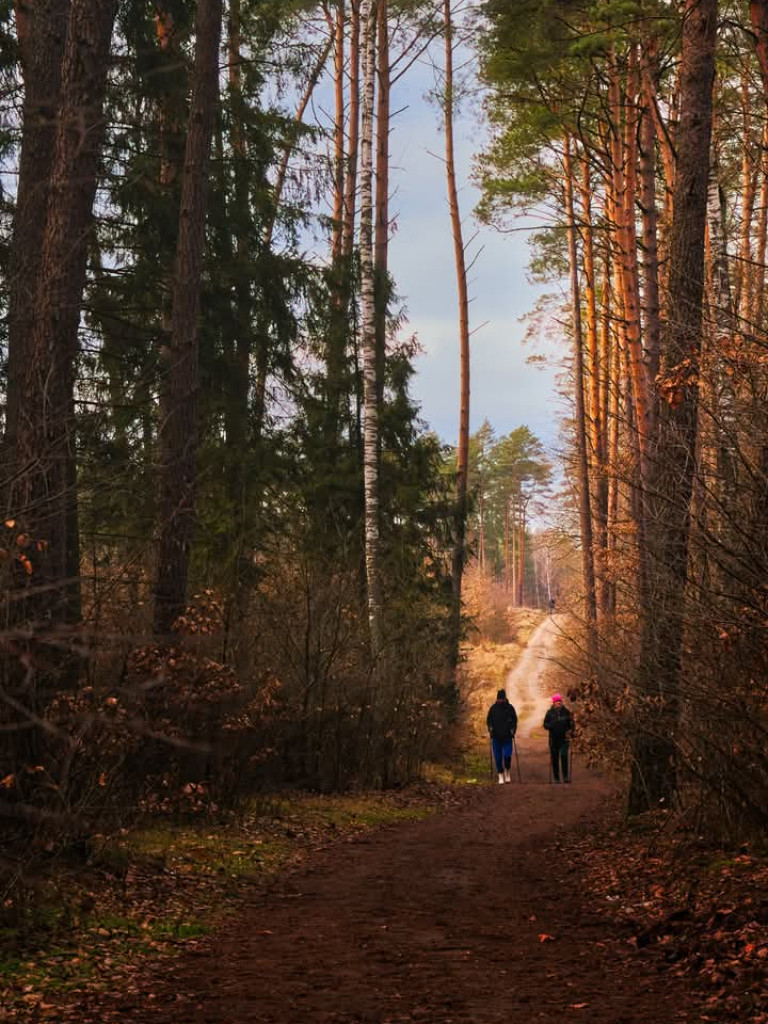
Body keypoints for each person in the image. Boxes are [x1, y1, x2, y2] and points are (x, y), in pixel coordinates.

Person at [486, 688, 518, 784]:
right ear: (497, 699)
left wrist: (513, 730)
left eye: (502, 699)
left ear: (505, 698)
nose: (500, 700)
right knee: (498, 757)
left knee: (507, 755)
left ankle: (507, 771)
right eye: (499, 699)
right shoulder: (493, 708)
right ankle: (500, 774)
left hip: (507, 736)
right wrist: (490, 728)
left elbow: (515, 720)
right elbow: (488, 720)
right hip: (496, 736)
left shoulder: (510, 708)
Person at [543, 693, 574, 783]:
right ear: (554, 703)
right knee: (555, 758)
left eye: (560, 701)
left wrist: (571, 731)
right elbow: (545, 725)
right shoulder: (549, 713)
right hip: (553, 739)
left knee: (564, 756)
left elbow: (571, 723)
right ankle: (556, 778)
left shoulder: (566, 712)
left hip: (564, 738)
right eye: (557, 702)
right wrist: (550, 725)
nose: (559, 703)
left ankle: (565, 777)